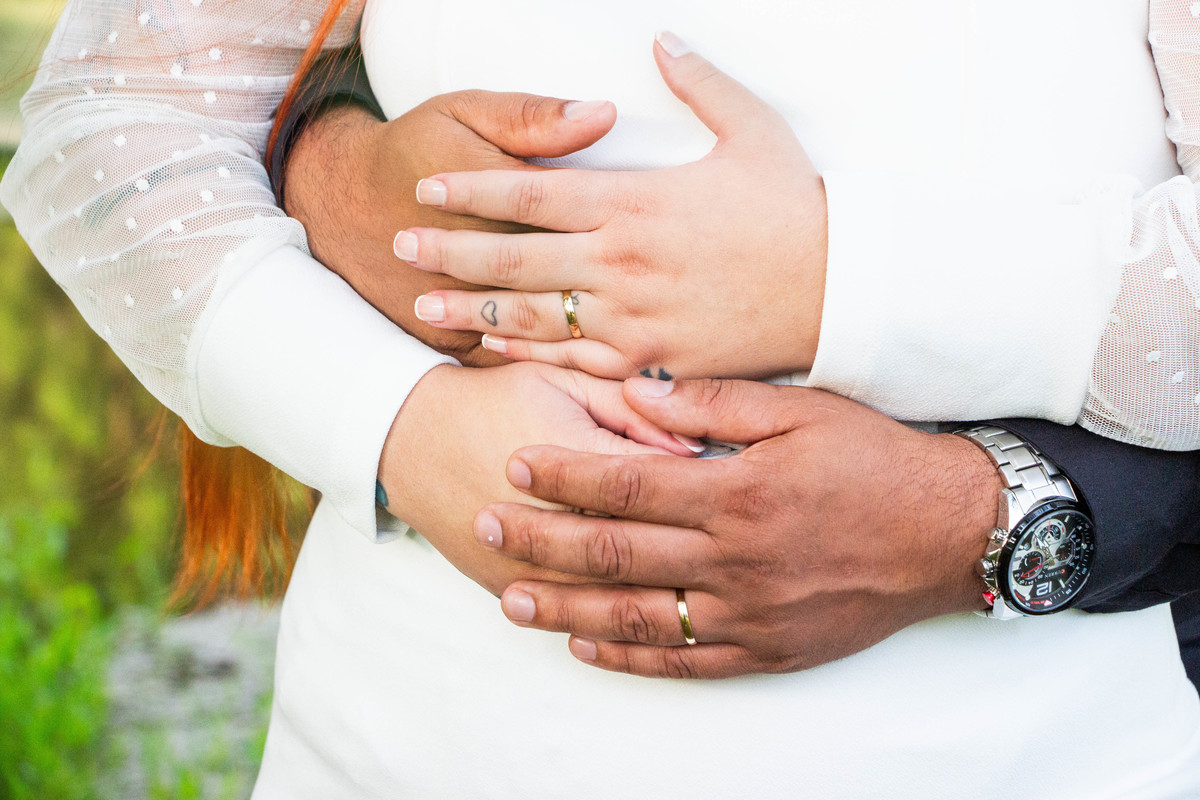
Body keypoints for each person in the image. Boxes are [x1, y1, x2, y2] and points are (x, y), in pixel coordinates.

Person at [2, 2, 1199, 798]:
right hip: (405, 743)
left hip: (1037, 755)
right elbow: (112, 119)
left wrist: (830, 277)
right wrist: (398, 420)